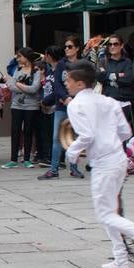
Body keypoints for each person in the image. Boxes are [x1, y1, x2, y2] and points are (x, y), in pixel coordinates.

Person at [64, 63, 134, 268]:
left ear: (80, 83)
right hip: (117, 158)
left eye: (69, 80)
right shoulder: (109, 101)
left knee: (105, 214)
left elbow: (87, 135)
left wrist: (72, 152)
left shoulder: (75, 105)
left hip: (104, 162)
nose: (66, 84)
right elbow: (125, 132)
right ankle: (121, 258)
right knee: (110, 210)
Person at [39, 39, 84, 180]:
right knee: (57, 137)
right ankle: (54, 169)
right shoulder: (61, 65)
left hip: (78, 105)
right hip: (62, 105)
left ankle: (74, 167)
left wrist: (77, 98)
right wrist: (65, 97)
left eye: (70, 46)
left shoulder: (82, 64)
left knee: (75, 137)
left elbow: (86, 84)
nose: (66, 49)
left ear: (77, 48)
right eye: (65, 47)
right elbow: (57, 84)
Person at [3, 48, 43, 168]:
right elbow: (10, 86)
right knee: (15, 131)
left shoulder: (36, 71)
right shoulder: (17, 69)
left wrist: (19, 85)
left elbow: (34, 88)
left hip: (31, 106)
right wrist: (24, 86)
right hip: (16, 105)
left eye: (20, 56)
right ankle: (13, 159)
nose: (18, 59)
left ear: (27, 57)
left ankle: (27, 159)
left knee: (28, 131)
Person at [98, 36, 134, 116]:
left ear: (121, 45)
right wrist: (117, 75)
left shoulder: (127, 62)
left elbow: (129, 79)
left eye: (115, 44)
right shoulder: (103, 61)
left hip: (124, 103)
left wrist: (108, 77)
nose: (112, 46)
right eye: (110, 44)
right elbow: (99, 76)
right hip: (107, 103)